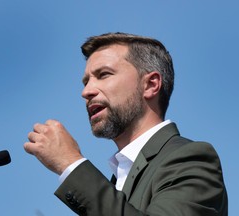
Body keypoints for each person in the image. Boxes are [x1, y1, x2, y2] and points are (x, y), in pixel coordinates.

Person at [24, 32, 228, 216]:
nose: (86, 91)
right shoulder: (121, 177)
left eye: (103, 75)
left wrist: (70, 163)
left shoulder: (190, 158)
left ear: (150, 84)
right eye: (86, 81)